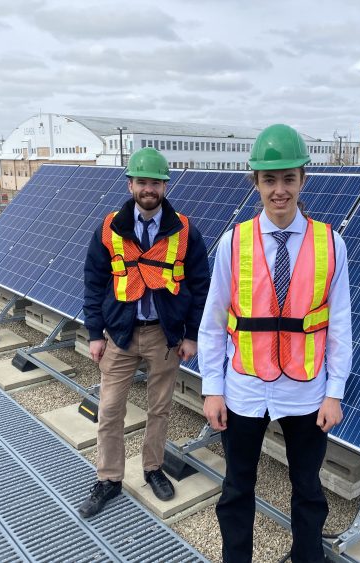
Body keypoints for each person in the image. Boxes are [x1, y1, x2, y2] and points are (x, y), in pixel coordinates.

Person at [199, 124, 352, 562]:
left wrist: (334, 393)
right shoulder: (233, 242)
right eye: (270, 179)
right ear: (256, 183)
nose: (279, 190)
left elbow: (339, 324)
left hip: (306, 391)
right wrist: (213, 387)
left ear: (303, 180)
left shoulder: (331, 244)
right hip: (244, 387)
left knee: (308, 490)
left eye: (288, 178)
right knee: (236, 489)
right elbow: (212, 323)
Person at [79, 147, 210, 518]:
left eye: (155, 182)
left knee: (160, 408)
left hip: (164, 335)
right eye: (142, 182)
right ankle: (108, 479)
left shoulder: (184, 230)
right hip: (119, 333)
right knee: (109, 409)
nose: (148, 188)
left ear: (164, 186)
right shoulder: (109, 227)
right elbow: (94, 281)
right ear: (130, 184)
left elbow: (201, 285)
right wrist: (94, 333)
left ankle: (153, 469)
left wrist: (191, 335)